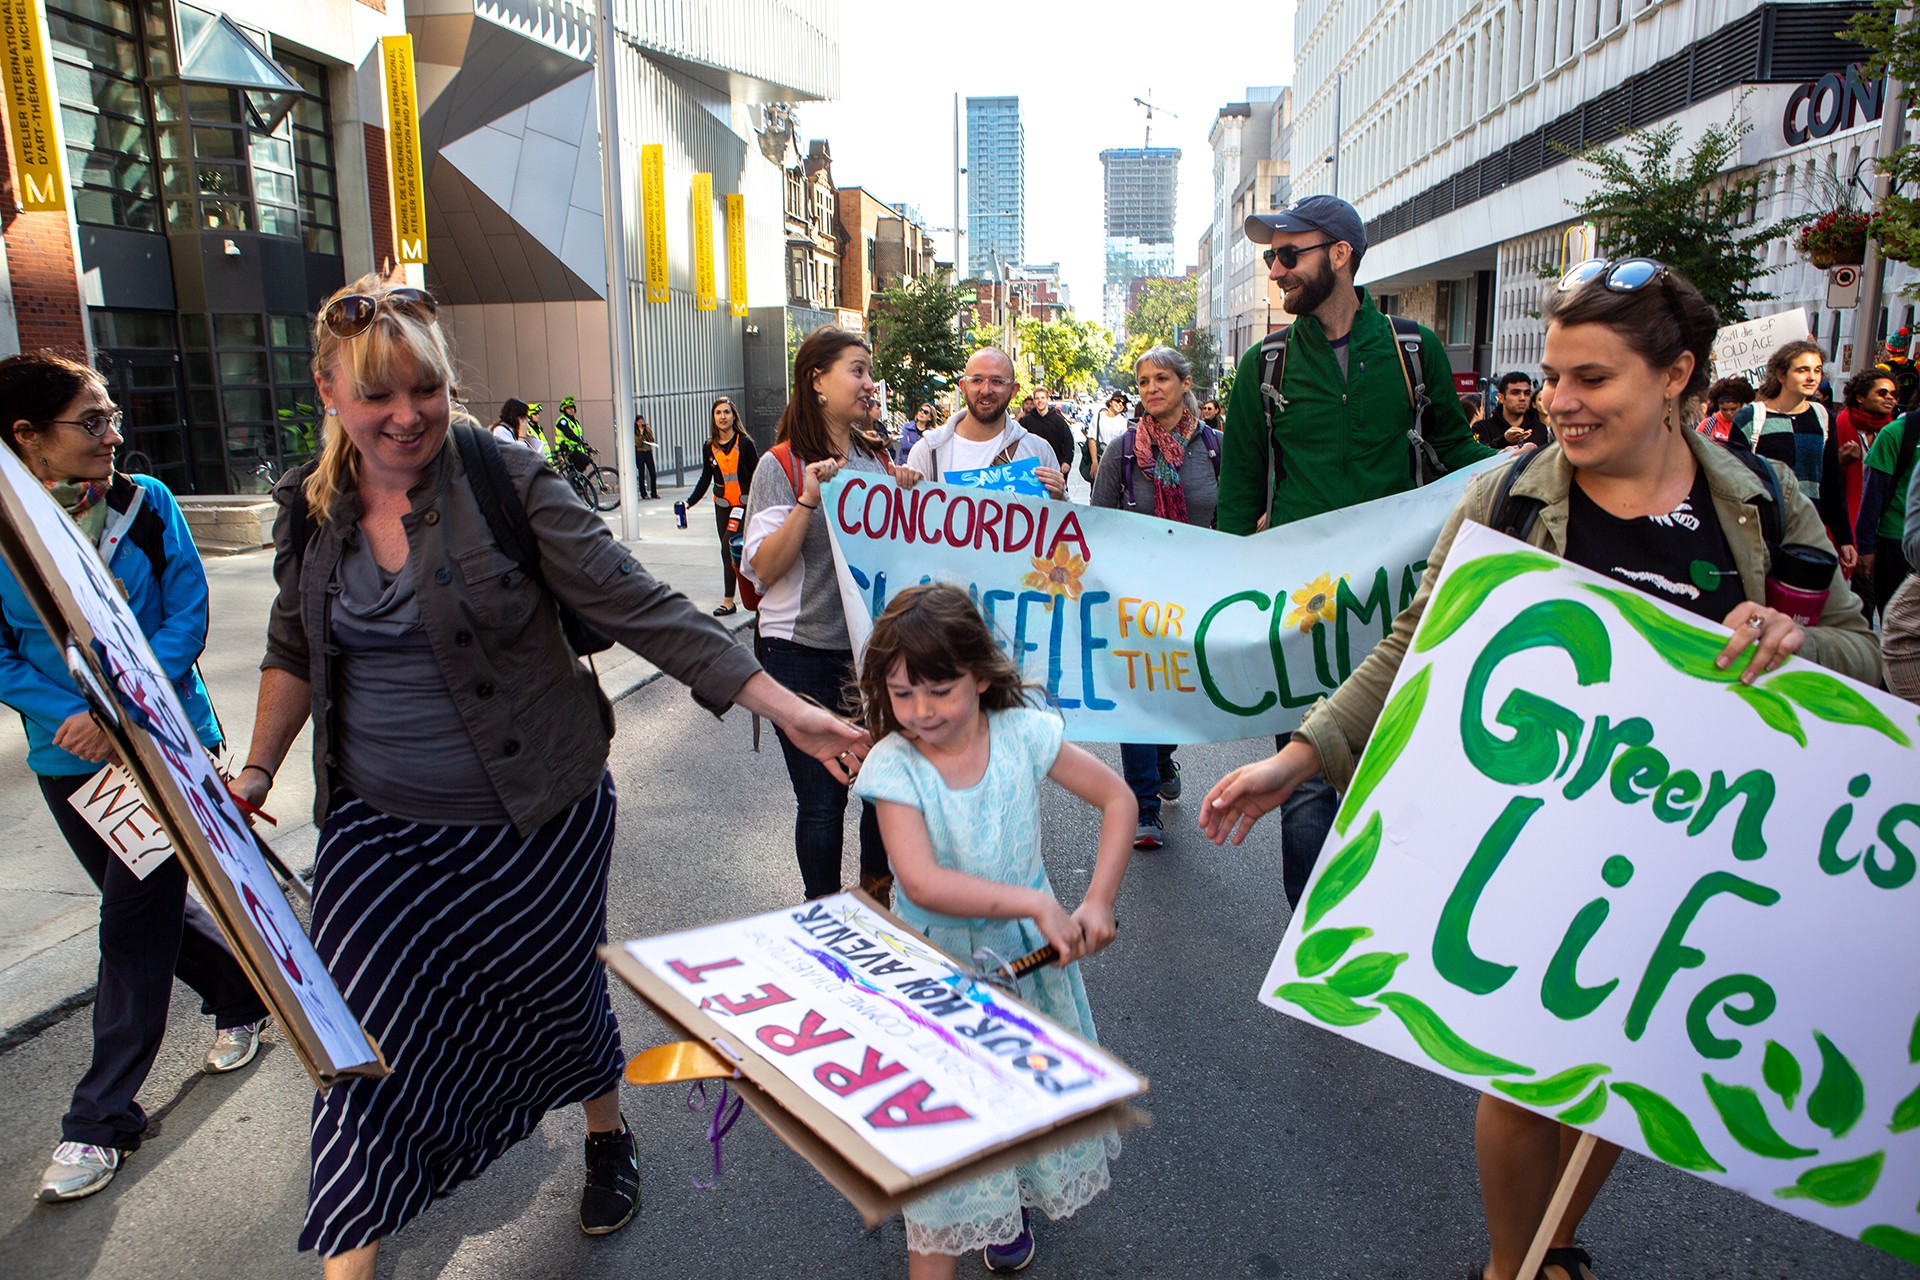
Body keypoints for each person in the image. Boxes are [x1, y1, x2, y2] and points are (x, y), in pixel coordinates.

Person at [1201, 257, 1877, 1280]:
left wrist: (1790, 638)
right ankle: (1512, 1261)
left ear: (1676, 375)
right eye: (1553, 374)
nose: (1559, 400)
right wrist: (1297, 757)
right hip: (1533, 836)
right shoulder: (1509, 494)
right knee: (1520, 1075)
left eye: (1592, 378)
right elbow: (1411, 643)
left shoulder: (1762, 497)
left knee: (1624, 1072)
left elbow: (1862, 656)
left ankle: (1557, 1243)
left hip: (1688, 844)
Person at [233, 276, 867, 1275]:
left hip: (535, 815)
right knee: (348, 1036)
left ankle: (606, 1129)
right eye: (378, 396)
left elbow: (641, 605)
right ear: (328, 391)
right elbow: (291, 645)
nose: (406, 417)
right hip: (373, 824)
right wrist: (260, 765)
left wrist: (792, 708)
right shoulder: (313, 508)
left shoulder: (507, 480)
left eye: (426, 392)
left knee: (555, 990)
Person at [0, 353, 271, 1204]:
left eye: (113, 417)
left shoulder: (146, 505)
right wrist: (70, 717)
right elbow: (2, 655)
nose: (114, 435)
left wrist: (121, 710)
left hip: (164, 745)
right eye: (92, 422)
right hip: (69, 757)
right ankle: (241, 995)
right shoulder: (4, 528)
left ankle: (99, 1119)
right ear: (26, 438)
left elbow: (186, 614)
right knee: (148, 908)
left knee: (131, 922)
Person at [1218, 193, 1495, 909]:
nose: (1275, 271)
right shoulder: (1264, 366)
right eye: (1271, 256)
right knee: (1307, 783)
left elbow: (1457, 455)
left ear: (1339, 255)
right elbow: (1238, 498)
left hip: (1401, 608)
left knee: (1400, 771)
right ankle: (1317, 943)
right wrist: (1212, 608)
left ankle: (1395, 930)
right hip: (1302, 612)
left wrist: (1531, 469)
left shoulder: (1411, 350)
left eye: (1288, 254)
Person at [849, 582, 1133, 1279]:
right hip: (935, 990)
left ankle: (1006, 1206)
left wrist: (1098, 899)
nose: (920, 713)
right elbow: (920, 883)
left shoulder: (1022, 735)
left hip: (1027, 980)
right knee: (939, 1191)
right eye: (901, 695)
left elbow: (1118, 798)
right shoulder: (894, 766)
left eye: (938, 691)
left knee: (1012, 1118)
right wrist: (1035, 905)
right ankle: (970, 1216)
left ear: (979, 674)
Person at [742, 327, 905, 905]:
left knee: (884, 787)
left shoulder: (876, 460)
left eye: (868, 372)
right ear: (817, 380)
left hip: (871, 654)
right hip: (800, 653)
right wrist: (809, 498)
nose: (868, 383)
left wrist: (904, 491)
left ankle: (874, 900)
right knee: (822, 798)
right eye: (856, 371)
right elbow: (763, 566)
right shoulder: (779, 465)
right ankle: (822, 912)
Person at [1090, 347, 1218, 849]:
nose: (1150, 389)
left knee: (1182, 696)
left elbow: (1231, 517)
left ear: (1186, 384)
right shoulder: (1124, 452)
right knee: (1138, 698)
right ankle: (1144, 808)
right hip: (1134, 597)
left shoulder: (1216, 448)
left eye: (1161, 378)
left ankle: (1163, 757)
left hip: (1197, 595)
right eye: (1143, 381)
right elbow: (1096, 523)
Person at [1727, 341, 1854, 571]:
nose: (1812, 377)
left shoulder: (1822, 417)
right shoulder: (1751, 417)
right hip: (1763, 529)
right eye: (1802, 370)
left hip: (1809, 529)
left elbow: (1831, 482)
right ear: (1781, 375)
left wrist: (1844, 538)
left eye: (1817, 370)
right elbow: (1733, 479)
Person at [904, 349, 1067, 499]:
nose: (986, 390)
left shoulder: (1038, 450)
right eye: (976, 380)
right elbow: (910, 523)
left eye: (997, 382)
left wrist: (1059, 500)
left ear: (1013, 390)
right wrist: (901, 490)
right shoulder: (928, 451)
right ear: (963, 387)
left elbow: (1064, 526)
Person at [685, 395, 758, 616]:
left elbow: (758, 475)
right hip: (722, 507)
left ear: (734, 416)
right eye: (718, 413)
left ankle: (730, 601)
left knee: (728, 547)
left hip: (743, 506)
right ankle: (739, 599)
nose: (722, 416)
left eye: (726, 412)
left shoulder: (745, 443)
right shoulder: (709, 447)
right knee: (733, 554)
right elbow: (705, 478)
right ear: (713, 417)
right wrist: (688, 502)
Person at [1858, 398, 1920, 614]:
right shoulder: (1896, 433)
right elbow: (1872, 494)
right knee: (1898, 628)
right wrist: (1864, 547)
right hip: (1898, 544)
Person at [1480, 371, 1550, 449]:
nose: (1522, 398)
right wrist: (1504, 440)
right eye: (1515, 393)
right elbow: (1478, 457)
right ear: (1501, 398)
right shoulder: (1483, 428)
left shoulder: (1540, 429)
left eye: (1527, 393)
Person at [1018, 385, 1076, 472]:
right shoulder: (1026, 421)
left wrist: (1066, 462)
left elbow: (1068, 442)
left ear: (1047, 399)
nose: (1040, 401)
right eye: (1037, 398)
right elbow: (1019, 443)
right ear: (1034, 401)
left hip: (1056, 466)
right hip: (1033, 467)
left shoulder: (1058, 420)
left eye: (1042, 398)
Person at [1695, 375, 1754, 444]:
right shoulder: (1706, 426)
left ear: (1741, 405)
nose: (1729, 413)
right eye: (1724, 409)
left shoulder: (1750, 423)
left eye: (1733, 409)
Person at [1087, 391, 1131, 479]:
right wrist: (1094, 462)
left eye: (1123, 403)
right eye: (1118, 401)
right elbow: (1092, 440)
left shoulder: (1124, 422)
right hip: (1100, 459)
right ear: (1110, 401)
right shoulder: (1098, 417)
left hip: (1115, 463)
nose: (1120, 404)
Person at [633, 411, 658, 499]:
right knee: (641, 473)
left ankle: (654, 493)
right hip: (640, 453)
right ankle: (643, 494)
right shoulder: (635, 432)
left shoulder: (646, 430)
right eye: (639, 422)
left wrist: (648, 430)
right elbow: (638, 443)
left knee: (652, 472)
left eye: (642, 421)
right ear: (636, 423)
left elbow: (652, 440)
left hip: (648, 452)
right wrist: (640, 432)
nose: (641, 423)